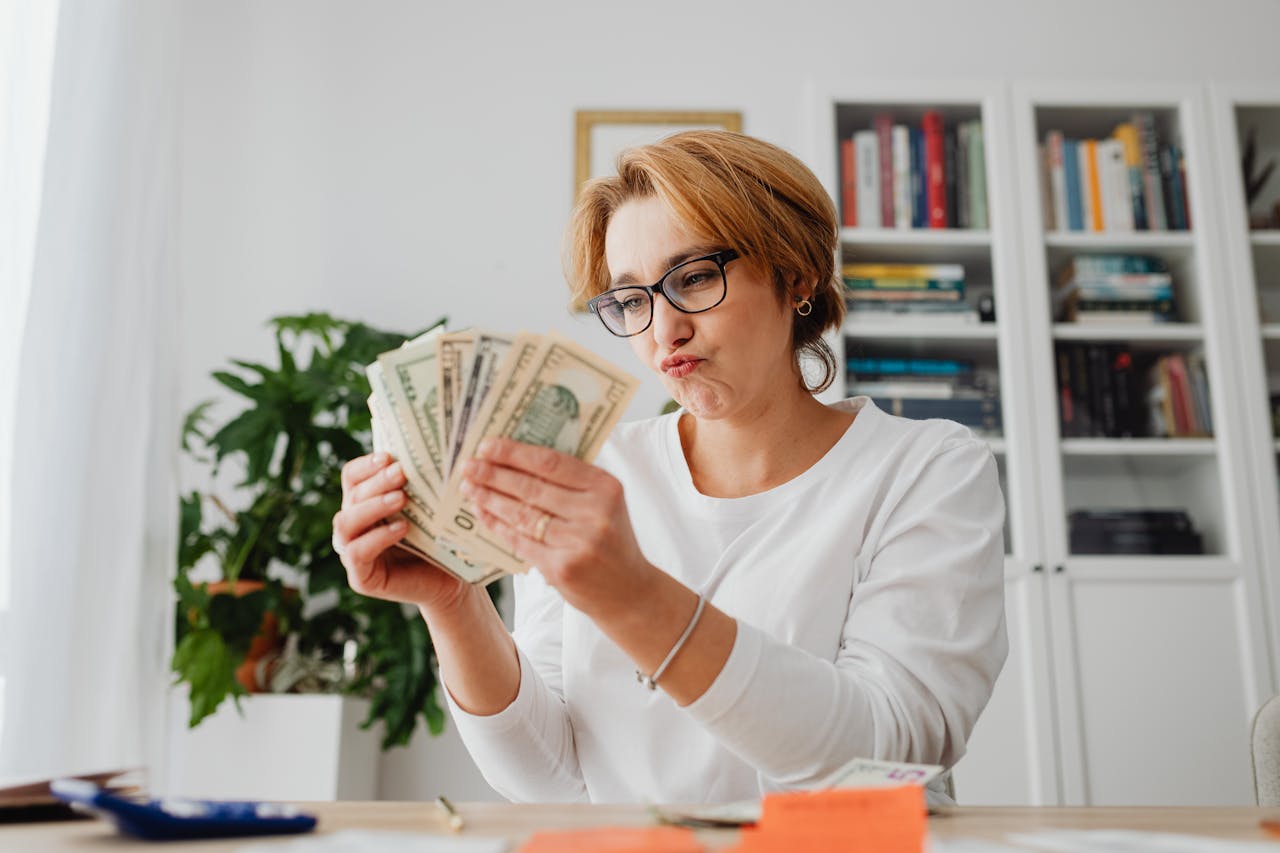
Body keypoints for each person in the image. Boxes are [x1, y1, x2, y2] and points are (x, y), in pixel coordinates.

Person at [331, 130, 1007, 805]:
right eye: (631, 300)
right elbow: (548, 777)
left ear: (796, 274)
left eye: (695, 277)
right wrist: (452, 603)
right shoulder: (592, 472)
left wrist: (633, 597)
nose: (663, 331)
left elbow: (892, 751)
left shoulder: (928, 470)